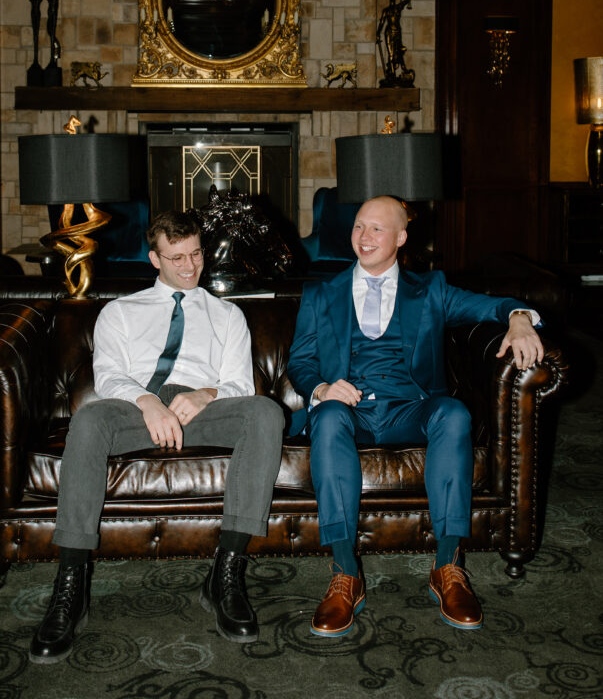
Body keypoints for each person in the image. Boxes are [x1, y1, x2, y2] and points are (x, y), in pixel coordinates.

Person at [30, 210, 284, 664]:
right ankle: (71, 583)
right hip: (135, 408)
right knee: (88, 421)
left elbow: (240, 384)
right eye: (176, 258)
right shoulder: (120, 311)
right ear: (154, 258)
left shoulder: (228, 316)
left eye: (196, 255)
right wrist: (148, 402)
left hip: (203, 411)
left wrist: (206, 394)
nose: (189, 268)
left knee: (265, 413)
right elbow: (108, 377)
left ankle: (226, 572)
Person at [287, 195, 543, 638]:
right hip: (348, 413)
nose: (363, 238)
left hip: (411, 409)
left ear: (401, 238)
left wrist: (520, 318)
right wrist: (323, 388)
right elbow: (301, 362)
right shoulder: (319, 293)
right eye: (358, 227)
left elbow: (493, 307)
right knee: (326, 418)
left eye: (376, 229)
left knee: (454, 413)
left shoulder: (433, 290)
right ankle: (345, 572)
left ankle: (447, 566)